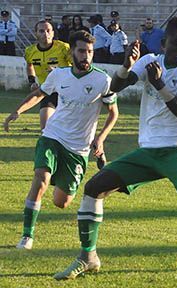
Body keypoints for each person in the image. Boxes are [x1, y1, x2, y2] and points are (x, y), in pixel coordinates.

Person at [53, 16, 177, 281]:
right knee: (94, 188)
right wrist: (126, 66)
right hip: (147, 151)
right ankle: (88, 257)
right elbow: (116, 87)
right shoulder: (149, 61)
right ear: (165, 43)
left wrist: (160, 84)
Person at [4, 30, 119, 251]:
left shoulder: (102, 80)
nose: (86, 56)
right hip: (53, 136)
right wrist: (18, 111)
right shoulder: (59, 75)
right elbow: (39, 94)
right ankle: (27, 236)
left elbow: (113, 113)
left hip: (78, 148)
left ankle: (57, 176)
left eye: (90, 52)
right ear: (73, 52)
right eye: (82, 51)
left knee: (61, 202)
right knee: (41, 179)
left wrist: (101, 139)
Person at [25, 20, 72, 131]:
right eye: (41, 31)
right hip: (48, 91)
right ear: (36, 33)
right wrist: (32, 81)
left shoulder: (64, 48)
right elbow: (29, 65)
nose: (45, 34)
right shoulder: (30, 51)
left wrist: (59, 71)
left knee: (70, 128)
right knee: (45, 127)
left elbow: (76, 67)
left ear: (53, 33)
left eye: (48, 30)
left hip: (67, 91)